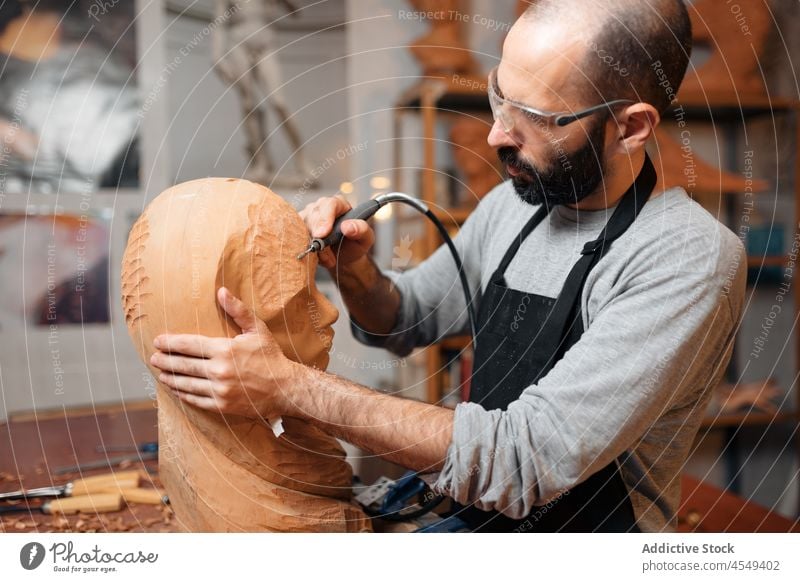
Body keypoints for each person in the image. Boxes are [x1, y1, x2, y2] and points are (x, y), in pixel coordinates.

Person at [150, 0, 746, 532]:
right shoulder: (515, 207)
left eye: (535, 119)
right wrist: (353, 270)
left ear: (631, 127)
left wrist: (288, 387)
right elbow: (402, 320)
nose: (494, 136)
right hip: (472, 514)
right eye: (499, 98)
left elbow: (523, 463)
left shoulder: (686, 259)